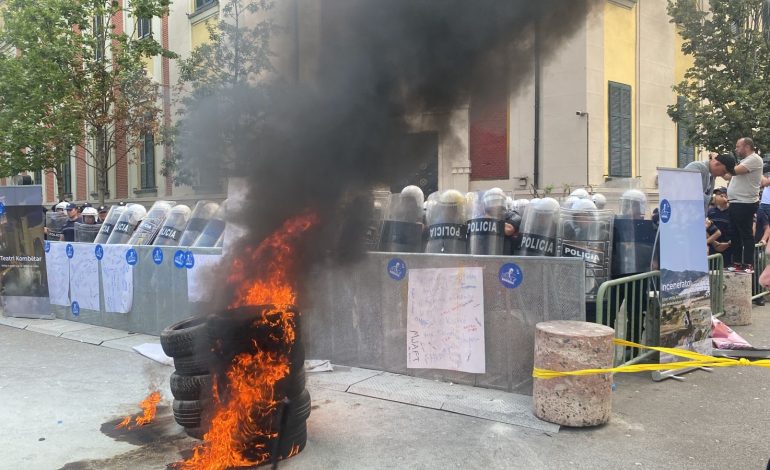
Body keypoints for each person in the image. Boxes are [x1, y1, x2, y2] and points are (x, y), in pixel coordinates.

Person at [724, 138, 764, 273]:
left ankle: (748, 264)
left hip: (745, 202)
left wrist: (721, 159)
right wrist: (720, 169)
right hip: (735, 202)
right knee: (734, 233)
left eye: (738, 146)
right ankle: (736, 263)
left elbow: (734, 171)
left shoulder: (754, 159)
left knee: (746, 233)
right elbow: (728, 176)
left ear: (747, 147)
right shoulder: (745, 161)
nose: (736, 149)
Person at [707, 187, 733, 264]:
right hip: (712, 248)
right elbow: (706, 228)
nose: (717, 196)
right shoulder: (710, 211)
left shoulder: (732, 212)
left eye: (720, 195)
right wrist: (714, 243)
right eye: (716, 194)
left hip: (728, 248)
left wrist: (728, 244)